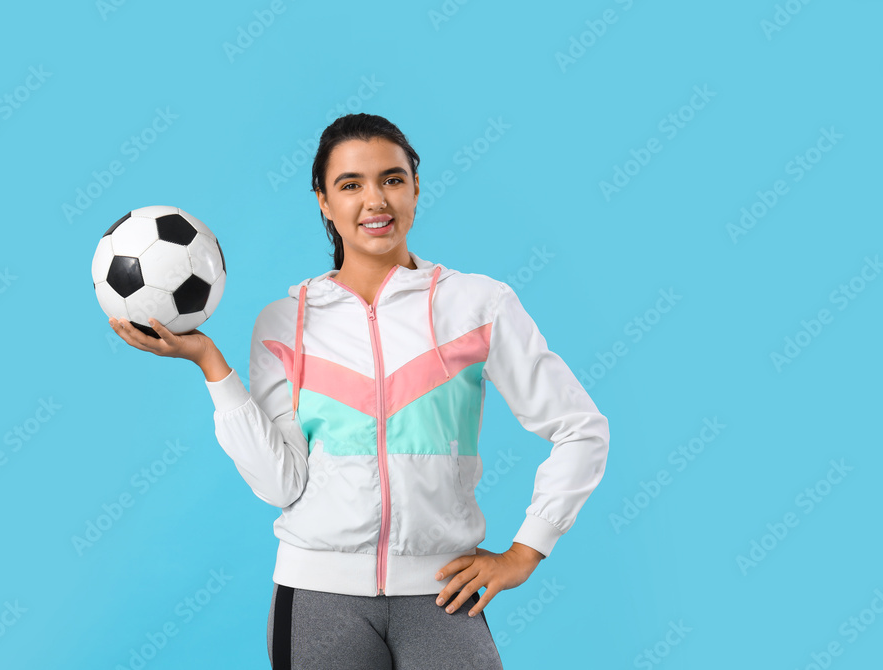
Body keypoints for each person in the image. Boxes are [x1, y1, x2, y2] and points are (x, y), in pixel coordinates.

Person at [109, 113, 610, 669]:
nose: (376, 200)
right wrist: (212, 365)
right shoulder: (283, 323)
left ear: (416, 188)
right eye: (351, 185)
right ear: (324, 201)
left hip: (443, 591)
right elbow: (282, 484)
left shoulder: (479, 306)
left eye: (392, 179)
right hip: (318, 597)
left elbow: (581, 429)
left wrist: (526, 550)